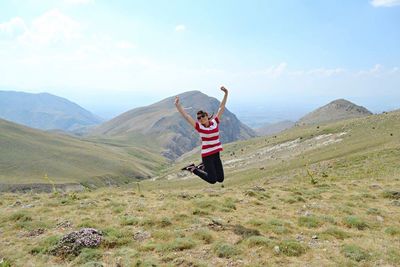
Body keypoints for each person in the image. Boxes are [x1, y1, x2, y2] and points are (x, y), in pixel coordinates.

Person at [174, 86, 228, 184]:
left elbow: (221, 108)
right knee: (212, 180)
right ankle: (193, 168)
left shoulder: (215, 122)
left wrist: (226, 94)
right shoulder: (200, 127)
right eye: (199, 118)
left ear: (207, 116)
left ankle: (201, 166)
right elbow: (187, 116)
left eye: (203, 116)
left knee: (220, 179)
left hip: (216, 154)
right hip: (207, 156)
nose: (201, 118)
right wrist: (178, 106)